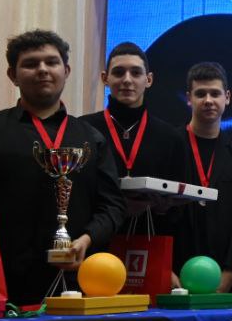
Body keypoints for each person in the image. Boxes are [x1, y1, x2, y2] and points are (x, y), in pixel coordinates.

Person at [0, 30, 126, 306]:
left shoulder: (91, 138)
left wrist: (87, 239)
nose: (42, 70)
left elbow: (112, 206)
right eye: (30, 63)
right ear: (12, 75)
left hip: (77, 282)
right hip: (4, 283)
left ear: (66, 71)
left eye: (51, 62)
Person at [79, 42, 187, 241]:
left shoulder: (171, 137)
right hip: (93, 242)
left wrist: (163, 208)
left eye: (136, 73)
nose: (127, 80)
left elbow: (180, 212)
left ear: (148, 79)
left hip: (150, 242)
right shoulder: (82, 129)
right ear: (105, 78)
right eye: (118, 72)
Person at [173, 62, 232, 292]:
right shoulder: (168, 145)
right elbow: (155, 212)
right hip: (174, 273)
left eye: (215, 93)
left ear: (227, 97)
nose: (208, 100)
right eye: (200, 94)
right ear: (189, 98)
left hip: (225, 276)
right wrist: (164, 269)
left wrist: (229, 273)